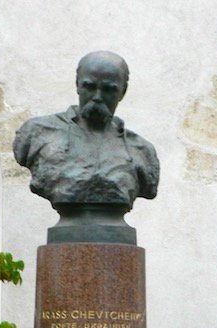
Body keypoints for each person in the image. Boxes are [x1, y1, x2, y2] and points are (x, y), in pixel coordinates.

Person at [13, 51, 159, 209]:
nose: (97, 96)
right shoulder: (37, 132)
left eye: (108, 90)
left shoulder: (141, 151)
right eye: (89, 87)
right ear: (77, 85)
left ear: (122, 92)